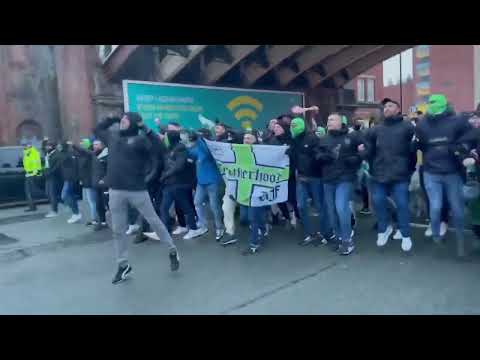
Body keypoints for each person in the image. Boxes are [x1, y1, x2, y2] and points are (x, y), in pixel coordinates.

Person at [94, 113, 179, 285]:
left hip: (137, 190)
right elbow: (97, 129)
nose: (122, 122)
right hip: (115, 191)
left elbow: (161, 148)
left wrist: (146, 129)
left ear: (133, 124)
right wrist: (111, 118)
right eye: (122, 120)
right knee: (118, 230)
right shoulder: (112, 137)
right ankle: (123, 265)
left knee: (154, 221)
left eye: (126, 120)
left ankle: (172, 250)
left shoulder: (140, 140)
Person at [414, 94, 473, 257]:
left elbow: (470, 137)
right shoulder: (422, 124)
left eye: (435, 103)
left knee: (458, 209)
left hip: (453, 172)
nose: (432, 105)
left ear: (445, 104)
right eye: (429, 103)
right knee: (435, 206)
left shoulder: (458, 121)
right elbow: (418, 145)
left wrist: (465, 152)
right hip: (431, 171)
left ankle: (460, 241)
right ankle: (436, 235)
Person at [359, 98, 416, 252]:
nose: (387, 108)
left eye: (390, 106)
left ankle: (405, 235)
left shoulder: (407, 127)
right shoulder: (376, 129)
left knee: (402, 205)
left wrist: (409, 169)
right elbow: (369, 150)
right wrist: (362, 153)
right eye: (385, 107)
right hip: (379, 174)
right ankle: (384, 230)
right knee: (378, 202)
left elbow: (413, 151)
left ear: (398, 109)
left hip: (400, 174)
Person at [316, 113, 363, 255]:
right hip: (328, 179)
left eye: (332, 119)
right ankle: (339, 237)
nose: (329, 121)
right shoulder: (324, 138)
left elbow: (364, 150)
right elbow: (317, 154)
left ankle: (348, 241)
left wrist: (355, 159)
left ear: (341, 122)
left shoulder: (351, 136)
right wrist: (323, 156)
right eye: (328, 119)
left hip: (345, 178)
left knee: (341, 207)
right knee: (332, 211)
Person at [290, 117, 333, 246]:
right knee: (301, 206)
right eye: (291, 125)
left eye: (294, 125)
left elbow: (319, 157)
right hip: (301, 178)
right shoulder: (294, 141)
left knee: (320, 206)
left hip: (315, 177)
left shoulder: (313, 138)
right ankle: (309, 233)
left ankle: (326, 233)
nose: (292, 127)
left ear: (302, 125)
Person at [159, 129, 206, 240]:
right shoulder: (170, 148)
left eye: (165, 137)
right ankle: (166, 230)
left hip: (179, 183)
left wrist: (165, 175)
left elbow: (179, 166)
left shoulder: (180, 148)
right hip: (170, 184)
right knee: (165, 207)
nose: (164, 139)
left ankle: (194, 229)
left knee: (186, 207)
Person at [188, 128, 225, 241]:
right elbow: (190, 154)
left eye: (201, 136)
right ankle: (203, 225)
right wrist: (185, 145)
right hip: (201, 182)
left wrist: (199, 137)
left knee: (214, 206)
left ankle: (220, 227)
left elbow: (205, 151)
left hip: (213, 181)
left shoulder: (211, 147)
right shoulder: (197, 147)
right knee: (197, 202)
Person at [265, 121, 299, 229]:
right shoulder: (272, 141)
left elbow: (295, 156)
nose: (276, 129)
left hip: (289, 175)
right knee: (279, 199)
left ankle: (296, 215)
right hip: (276, 176)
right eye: (274, 127)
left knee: (292, 198)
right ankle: (287, 217)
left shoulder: (292, 140)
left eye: (278, 127)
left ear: (285, 128)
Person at [73, 138, 98, 226]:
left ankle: (94, 219)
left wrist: (73, 145)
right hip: (85, 181)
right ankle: (93, 218)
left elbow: (83, 151)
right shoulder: (81, 155)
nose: (81, 144)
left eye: (83, 143)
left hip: (90, 181)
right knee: (88, 201)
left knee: (92, 201)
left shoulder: (89, 154)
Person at [59, 142, 82, 224]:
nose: (58, 147)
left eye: (60, 146)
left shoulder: (68, 154)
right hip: (67, 178)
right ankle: (76, 213)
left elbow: (75, 166)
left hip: (70, 178)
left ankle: (76, 213)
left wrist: (77, 177)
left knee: (64, 195)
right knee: (70, 196)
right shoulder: (65, 154)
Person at [90, 139, 109, 231]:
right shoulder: (93, 155)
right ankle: (102, 221)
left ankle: (113, 222)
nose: (95, 146)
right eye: (94, 145)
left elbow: (110, 170)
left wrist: (105, 179)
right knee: (98, 204)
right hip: (96, 184)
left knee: (108, 204)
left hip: (105, 184)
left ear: (102, 145)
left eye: (97, 144)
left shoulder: (107, 155)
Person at [42, 139, 63, 218]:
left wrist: (49, 172)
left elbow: (56, 167)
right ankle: (56, 206)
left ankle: (54, 211)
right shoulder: (48, 154)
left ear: (53, 147)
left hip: (53, 177)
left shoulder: (56, 155)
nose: (47, 147)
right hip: (48, 177)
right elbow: (42, 149)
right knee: (48, 193)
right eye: (47, 146)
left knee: (52, 194)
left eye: (49, 146)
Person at [22, 143, 42, 212]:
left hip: (32, 175)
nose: (24, 147)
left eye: (26, 146)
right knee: (29, 191)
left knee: (30, 191)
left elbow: (38, 164)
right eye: (24, 146)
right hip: (28, 175)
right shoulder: (26, 153)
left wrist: (37, 174)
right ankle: (32, 206)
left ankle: (33, 207)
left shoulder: (34, 153)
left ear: (30, 146)